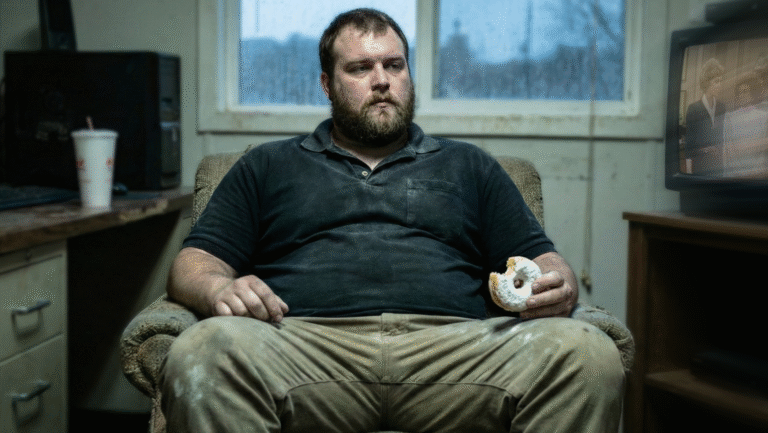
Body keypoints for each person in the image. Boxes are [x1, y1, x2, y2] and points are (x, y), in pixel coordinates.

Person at [160, 8, 624, 433]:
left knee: (588, 355)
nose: (381, 80)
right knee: (200, 353)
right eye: (360, 68)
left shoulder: (469, 165)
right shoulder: (267, 165)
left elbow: (542, 258)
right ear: (327, 84)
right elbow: (193, 263)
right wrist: (220, 288)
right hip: (303, 347)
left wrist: (559, 281)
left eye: (394, 65)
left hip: (456, 352)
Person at [685, 58, 726, 175]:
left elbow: (723, 138)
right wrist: (688, 173)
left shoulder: (721, 107)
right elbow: (689, 144)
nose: (720, 85)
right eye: (716, 81)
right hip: (701, 166)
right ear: (707, 83)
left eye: (721, 81)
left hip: (718, 166)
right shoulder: (693, 109)